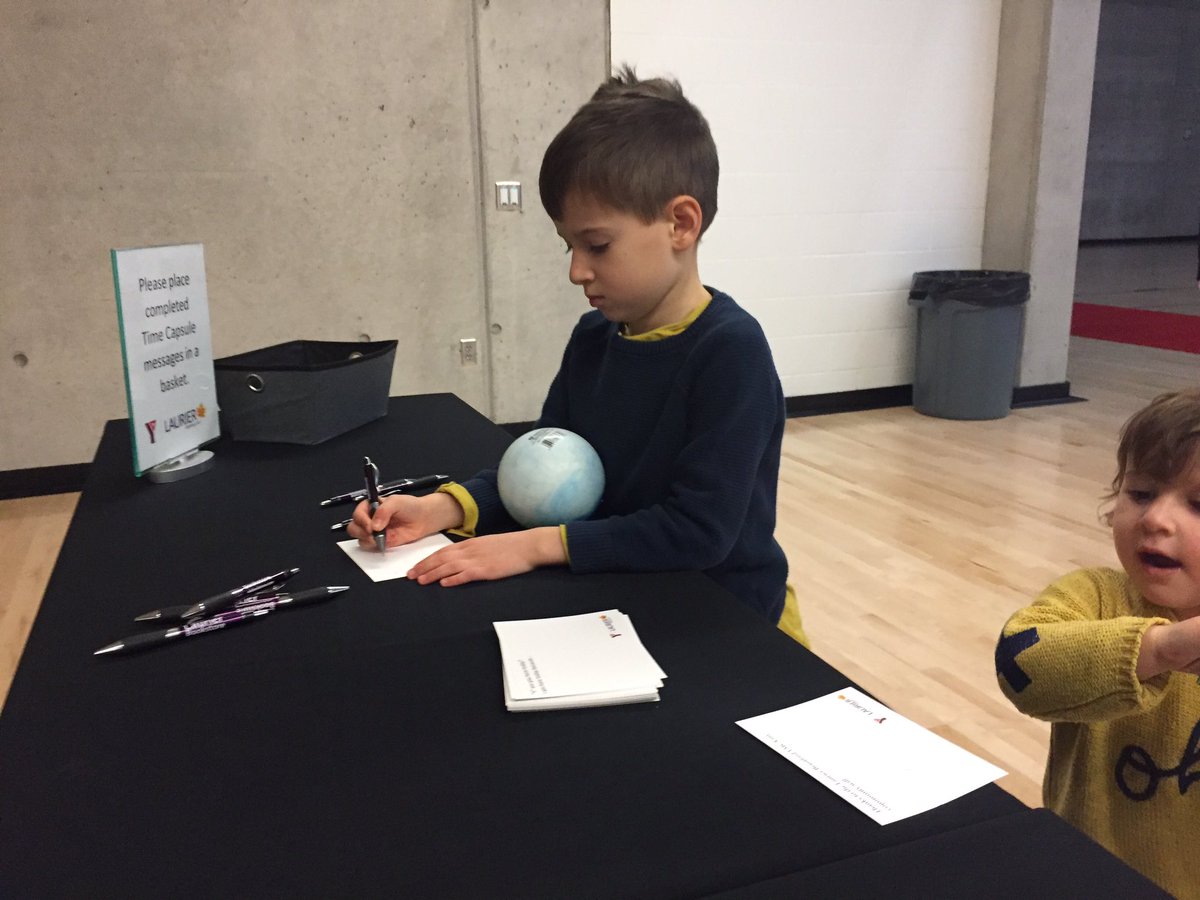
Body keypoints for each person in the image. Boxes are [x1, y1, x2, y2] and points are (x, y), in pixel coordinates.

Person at [349, 65, 807, 645]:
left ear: (680, 224)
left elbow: (697, 533)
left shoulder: (730, 353)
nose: (576, 271)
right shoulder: (594, 338)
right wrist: (440, 509)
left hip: (724, 614)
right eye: (569, 246)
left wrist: (532, 546)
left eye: (597, 245)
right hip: (617, 597)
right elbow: (540, 476)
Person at [995, 389, 1200, 898]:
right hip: (1084, 872)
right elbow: (1022, 664)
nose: (1156, 519)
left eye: (1198, 504)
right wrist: (1160, 649)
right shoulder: (1096, 596)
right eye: (1141, 493)